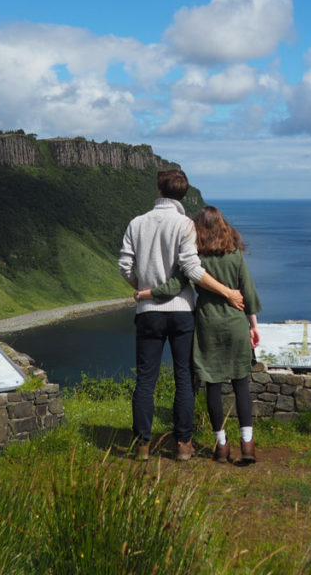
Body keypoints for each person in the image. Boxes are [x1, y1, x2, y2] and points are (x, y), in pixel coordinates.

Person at [118, 169, 244, 462]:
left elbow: (125, 266)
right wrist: (227, 292)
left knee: (145, 380)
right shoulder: (185, 225)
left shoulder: (137, 223)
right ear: (182, 195)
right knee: (183, 377)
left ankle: (143, 444)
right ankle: (184, 444)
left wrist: (144, 289)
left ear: (159, 191)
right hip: (182, 312)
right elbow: (191, 268)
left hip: (148, 312)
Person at [136, 205, 262, 464]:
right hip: (236, 323)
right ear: (224, 226)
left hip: (207, 325)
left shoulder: (196, 258)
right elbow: (247, 291)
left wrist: (145, 294)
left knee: (213, 386)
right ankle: (247, 445)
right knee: (241, 384)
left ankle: (222, 446)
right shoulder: (235, 254)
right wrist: (253, 325)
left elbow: (174, 286)